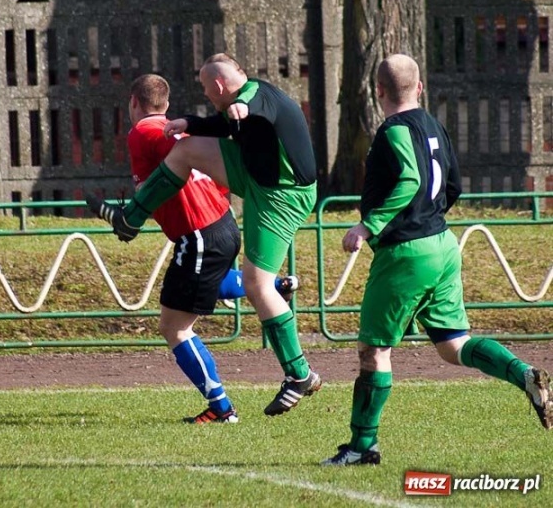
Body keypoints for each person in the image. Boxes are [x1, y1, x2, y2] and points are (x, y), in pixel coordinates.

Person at [321, 54, 553, 466]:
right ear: (420, 87)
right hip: (442, 245)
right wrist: (429, 218)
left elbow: (411, 179)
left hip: (406, 253)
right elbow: (453, 185)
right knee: (453, 346)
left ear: (378, 90)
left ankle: (361, 447)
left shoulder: (393, 130)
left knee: (374, 350)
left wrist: (367, 226)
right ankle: (523, 374)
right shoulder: (434, 125)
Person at [88, 54, 321, 416]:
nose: (205, 94)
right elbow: (221, 126)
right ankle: (129, 219)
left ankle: (298, 375)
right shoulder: (234, 105)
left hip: (281, 194)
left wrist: (241, 108)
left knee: (256, 286)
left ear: (219, 86)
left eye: (204, 88)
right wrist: (190, 123)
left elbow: (253, 102)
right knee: (186, 149)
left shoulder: (254, 96)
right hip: (255, 180)